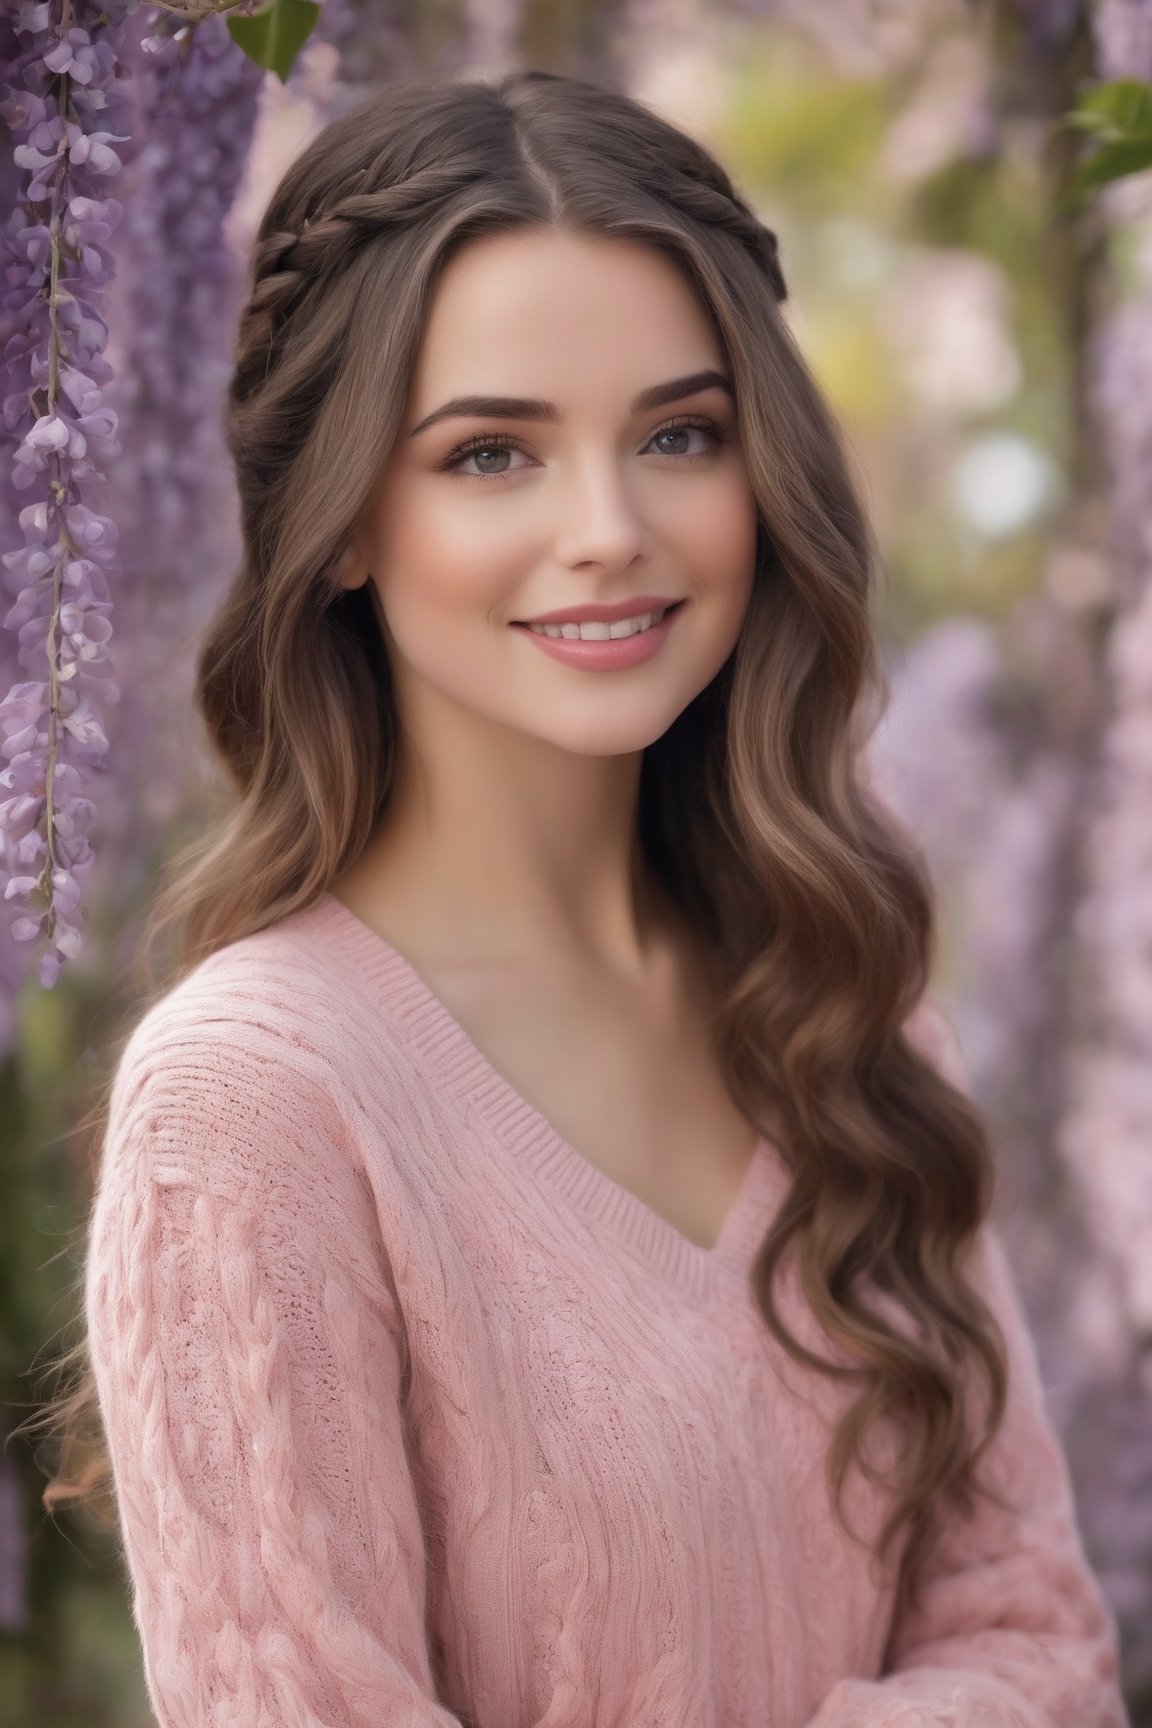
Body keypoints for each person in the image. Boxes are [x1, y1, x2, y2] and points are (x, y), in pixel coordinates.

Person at [79, 66, 1128, 1728]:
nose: (609, 530)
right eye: (492, 453)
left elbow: (1043, 1648)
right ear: (344, 519)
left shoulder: (836, 986)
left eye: (677, 435)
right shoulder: (255, 1103)